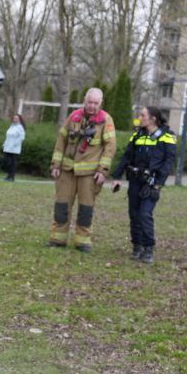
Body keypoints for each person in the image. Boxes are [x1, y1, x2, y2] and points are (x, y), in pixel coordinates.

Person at [47, 87, 117, 252]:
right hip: (67, 170)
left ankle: (83, 241)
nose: (92, 106)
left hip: (90, 174)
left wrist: (102, 170)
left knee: (86, 208)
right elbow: (61, 141)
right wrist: (55, 165)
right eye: (89, 102)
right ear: (84, 101)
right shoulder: (74, 116)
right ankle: (58, 239)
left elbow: (110, 147)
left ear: (101, 103)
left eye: (95, 103)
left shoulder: (106, 120)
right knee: (61, 205)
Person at [111, 105, 176, 265]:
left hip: (151, 183)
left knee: (144, 214)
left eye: (142, 115)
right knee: (134, 214)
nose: (139, 117)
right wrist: (117, 176)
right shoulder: (137, 135)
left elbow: (168, 163)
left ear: (153, 118)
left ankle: (148, 248)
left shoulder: (167, 136)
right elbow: (126, 157)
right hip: (135, 181)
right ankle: (137, 246)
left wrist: (158, 184)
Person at [2, 113, 25, 181]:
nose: (15, 119)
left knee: (12, 163)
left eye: (16, 118)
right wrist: (5, 143)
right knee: (5, 161)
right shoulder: (11, 126)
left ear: (19, 119)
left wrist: (14, 144)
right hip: (7, 147)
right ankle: (8, 175)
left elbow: (22, 137)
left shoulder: (20, 127)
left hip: (14, 149)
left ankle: (11, 177)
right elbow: (8, 136)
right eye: (14, 118)